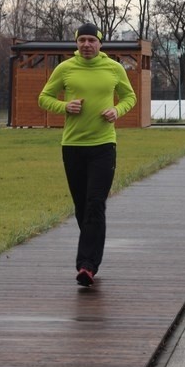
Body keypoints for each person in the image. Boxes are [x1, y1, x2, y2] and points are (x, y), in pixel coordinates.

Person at [38, 23, 137, 287]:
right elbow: (44, 97)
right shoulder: (65, 68)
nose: (86, 45)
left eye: (91, 40)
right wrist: (63, 106)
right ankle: (92, 251)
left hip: (103, 146)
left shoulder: (114, 68)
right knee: (82, 206)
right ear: (76, 43)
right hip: (72, 146)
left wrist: (118, 111)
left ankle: (87, 265)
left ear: (100, 43)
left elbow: (130, 97)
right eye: (82, 40)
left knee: (95, 203)